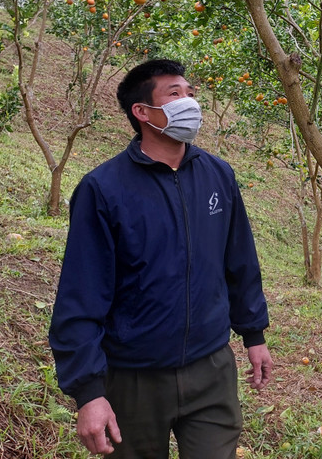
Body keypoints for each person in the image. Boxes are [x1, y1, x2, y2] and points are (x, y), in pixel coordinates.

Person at [49, 58, 273, 458]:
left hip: (211, 368)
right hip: (133, 379)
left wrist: (253, 334)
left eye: (190, 93)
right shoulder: (103, 189)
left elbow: (239, 260)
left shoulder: (218, 175)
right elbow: (81, 294)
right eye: (174, 94)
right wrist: (88, 392)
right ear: (142, 112)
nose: (189, 102)